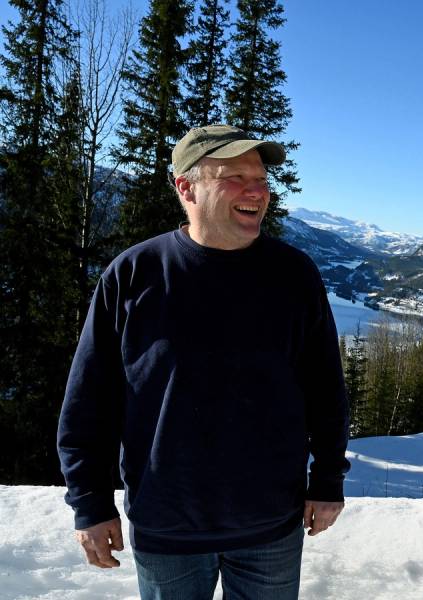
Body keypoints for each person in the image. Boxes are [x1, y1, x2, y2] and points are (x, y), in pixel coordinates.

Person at [57, 124, 350, 600]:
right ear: (186, 187)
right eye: (235, 176)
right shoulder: (133, 275)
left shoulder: (293, 275)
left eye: (260, 178)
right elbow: (89, 400)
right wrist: (89, 502)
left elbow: (324, 389)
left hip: (271, 525)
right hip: (167, 527)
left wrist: (329, 479)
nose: (257, 189)